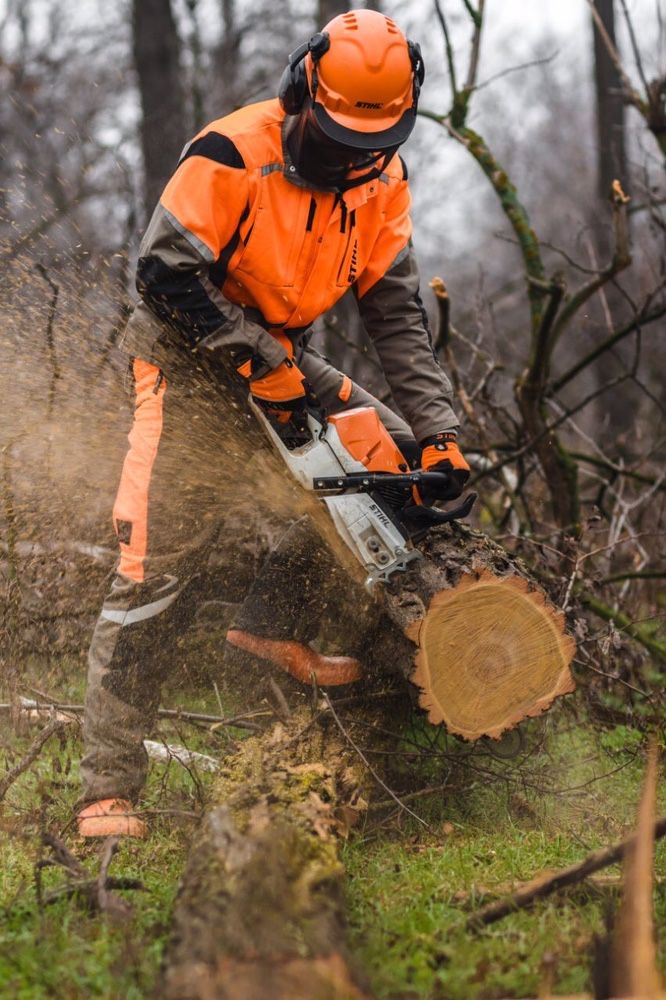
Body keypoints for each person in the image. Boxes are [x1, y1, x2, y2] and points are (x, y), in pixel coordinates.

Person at [77, 8, 470, 838]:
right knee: (154, 568)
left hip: (283, 358)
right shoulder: (232, 153)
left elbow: (396, 313)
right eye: (334, 137)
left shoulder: (383, 180)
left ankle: (271, 621)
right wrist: (260, 361)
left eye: (371, 140)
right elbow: (162, 273)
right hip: (188, 360)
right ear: (303, 93)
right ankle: (106, 787)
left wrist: (440, 433)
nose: (350, 157)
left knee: (394, 459)